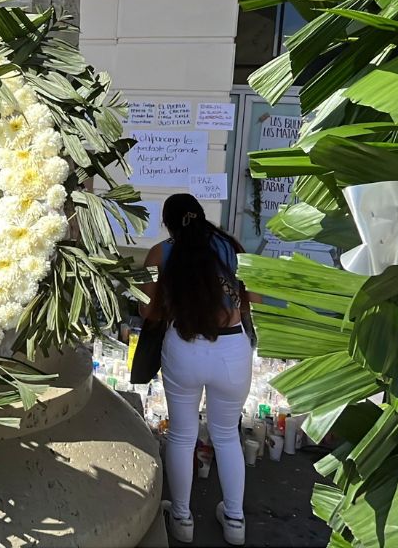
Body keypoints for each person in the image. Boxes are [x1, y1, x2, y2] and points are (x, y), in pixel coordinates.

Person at [139, 193, 257, 546]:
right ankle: (235, 521)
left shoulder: (160, 253)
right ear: (202, 216)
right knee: (225, 435)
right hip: (232, 349)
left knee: (182, 435)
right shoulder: (233, 247)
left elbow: (147, 311)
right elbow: (257, 298)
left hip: (184, 348)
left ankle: (181, 518)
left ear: (168, 223)